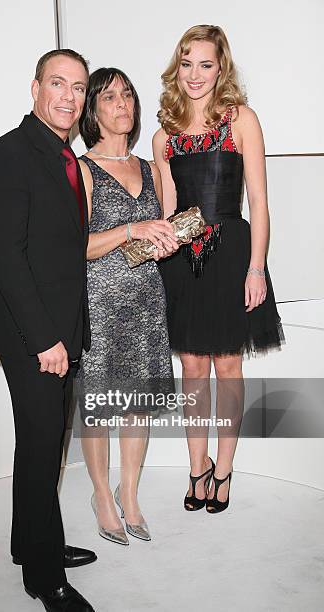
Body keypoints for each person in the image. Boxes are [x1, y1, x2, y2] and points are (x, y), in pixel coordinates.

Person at [0, 49, 96, 612]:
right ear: (35, 88)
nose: (68, 96)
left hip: (60, 330)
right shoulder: (8, 155)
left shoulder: (62, 158)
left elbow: (63, 253)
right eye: (57, 83)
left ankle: (29, 542)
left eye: (78, 87)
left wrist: (71, 333)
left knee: (46, 447)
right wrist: (47, 340)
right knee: (40, 448)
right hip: (33, 335)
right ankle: (44, 579)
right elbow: (8, 260)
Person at [153, 25, 284, 514]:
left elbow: (261, 202)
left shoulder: (242, 120)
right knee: (191, 366)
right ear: (177, 68)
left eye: (205, 64)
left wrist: (257, 269)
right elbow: (169, 211)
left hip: (232, 255)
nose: (194, 74)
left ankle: (224, 470)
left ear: (221, 68)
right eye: (186, 64)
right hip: (184, 262)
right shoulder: (163, 134)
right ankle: (197, 468)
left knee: (228, 365)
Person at [76, 67, 178, 544]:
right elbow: (74, 246)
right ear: (92, 110)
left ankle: (129, 492)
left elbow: (164, 230)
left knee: (138, 405)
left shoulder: (153, 169)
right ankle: (101, 493)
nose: (123, 104)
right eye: (110, 96)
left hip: (145, 302)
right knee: (99, 407)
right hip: (98, 302)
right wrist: (131, 231)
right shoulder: (81, 168)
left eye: (128, 95)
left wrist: (166, 239)